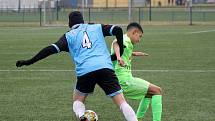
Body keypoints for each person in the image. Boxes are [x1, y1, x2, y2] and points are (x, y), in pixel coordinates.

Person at [16, 11, 138, 121]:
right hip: (105, 68)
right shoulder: (96, 27)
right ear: (82, 21)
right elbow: (117, 29)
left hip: (85, 71)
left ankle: (82, 117)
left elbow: (50, 49)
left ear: (69, 23)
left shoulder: (69, 36)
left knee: (78, 100)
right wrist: (119, 52)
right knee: (122, 102)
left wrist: (29, 61)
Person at [111, 22, 162, 121]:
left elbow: (122, 49)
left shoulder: (126, 40)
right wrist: (118, 57)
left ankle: (138, 119)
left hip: (121, 79)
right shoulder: (125, 39)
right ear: (134, 32)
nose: (139, 40)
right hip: (123, 80)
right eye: (140, 36)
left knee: (149, 93)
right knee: (157, 90)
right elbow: (116, 43)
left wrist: (133, 53)